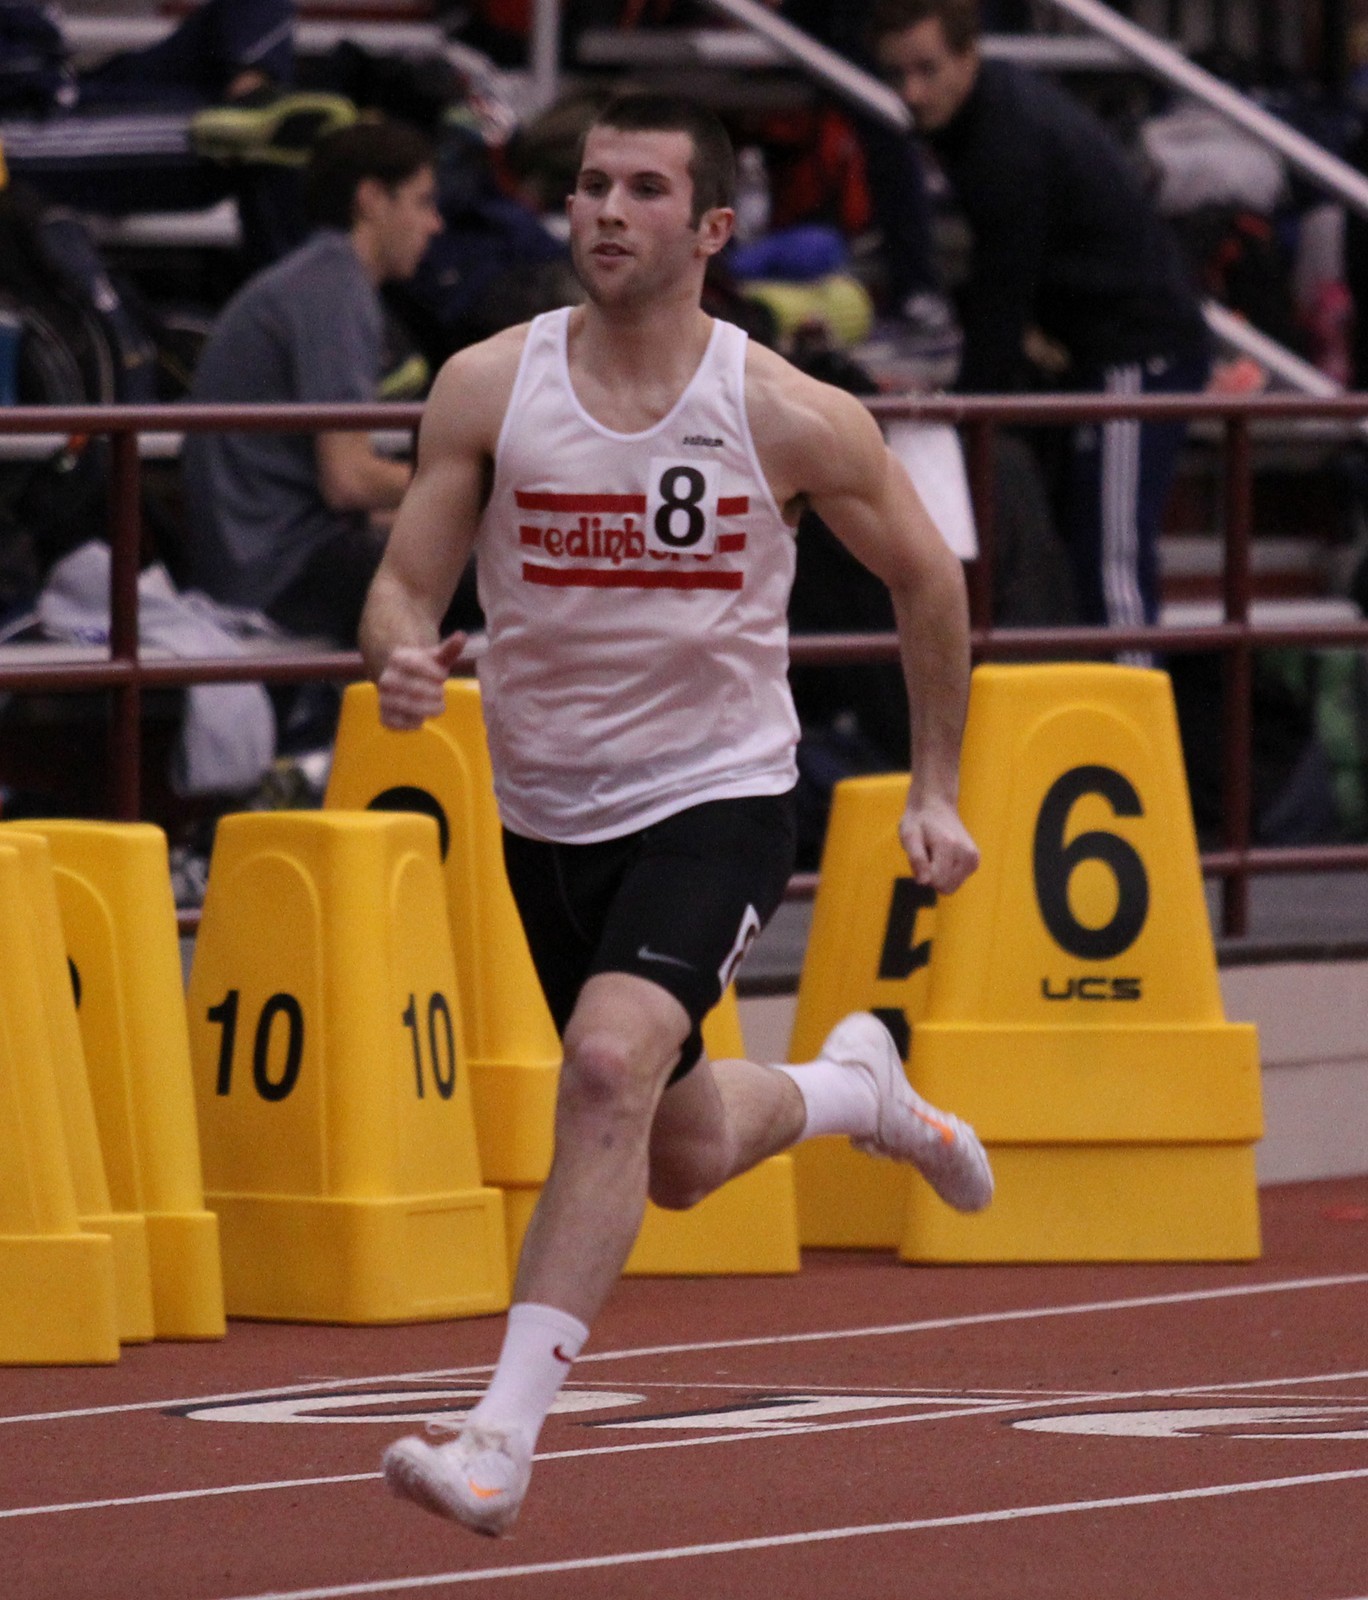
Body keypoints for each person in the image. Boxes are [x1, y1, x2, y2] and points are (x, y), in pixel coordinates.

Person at [361, 91, 993, 1538]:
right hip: (545, 812)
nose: (605, 211)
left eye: (643, 189)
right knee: (685, 1152)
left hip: (718, 796)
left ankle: (497, 1442)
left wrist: (939, 784)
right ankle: (857, 1092)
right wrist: (397, 653)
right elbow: (404, 583)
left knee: (605, 1067)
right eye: (591, 184)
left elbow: (930, 579)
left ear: (712, 227)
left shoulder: (783, 411)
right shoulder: (488, 387)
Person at [865, 0, 1211, 640]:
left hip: (1136, 348)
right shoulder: (990, 114)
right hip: (1103, 347)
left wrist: (969, 406)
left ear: (968, 56)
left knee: (1110, 553)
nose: (911, 92)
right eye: (896, 74)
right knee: (1090, 544)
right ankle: (1104, 691)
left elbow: (1004, 286)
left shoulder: (1005, 135)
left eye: (927, 69)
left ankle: (1131, 701)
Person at [181, 119, 442, 648]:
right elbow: (348, 479)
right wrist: (469, 487)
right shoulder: (333, 289)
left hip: (262, 555)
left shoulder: (317, 278)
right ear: (371, 199)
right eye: (422, 202)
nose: (435, 224)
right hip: (276, 573)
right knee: (506, 565)